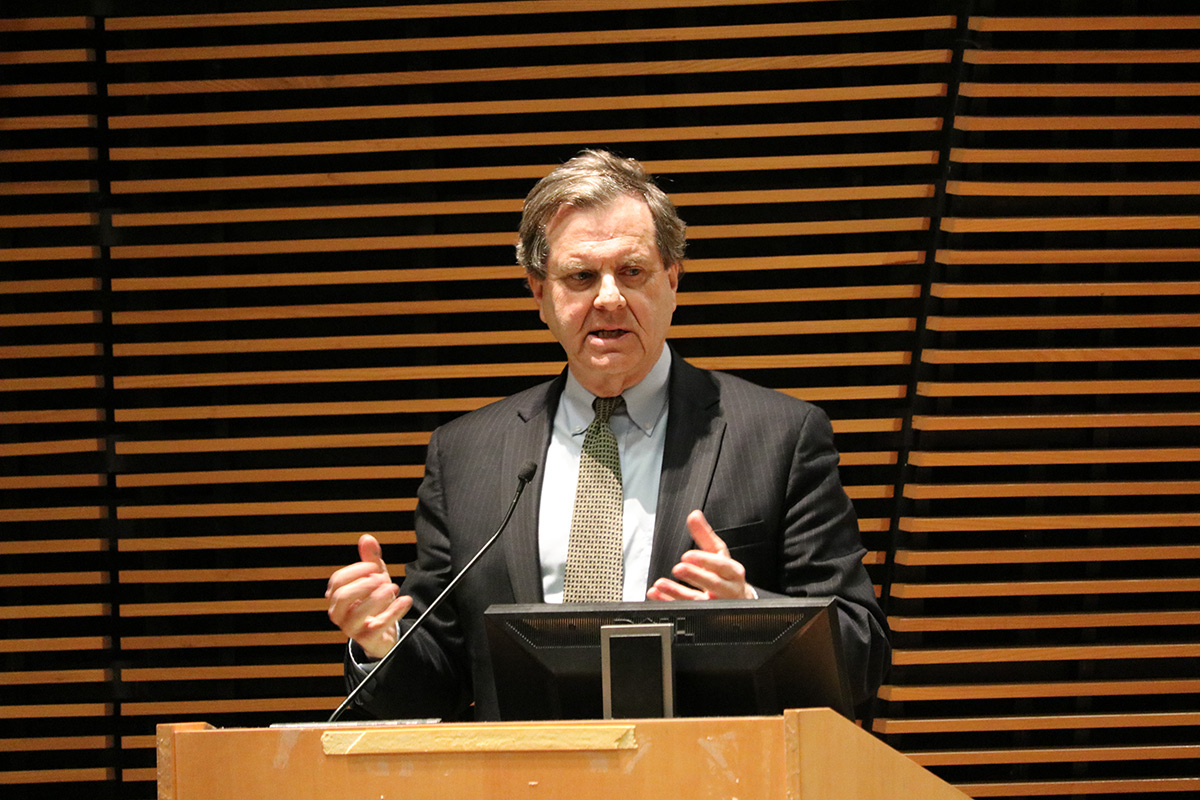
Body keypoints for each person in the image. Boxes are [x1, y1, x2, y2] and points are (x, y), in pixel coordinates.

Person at [326, 150, 890, 721]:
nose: (609, 298)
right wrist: (381, 640)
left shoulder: (779, 436)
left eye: (633, 271)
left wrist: (748, 610)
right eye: (580, 276)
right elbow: (441, 682)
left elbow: (862, 653)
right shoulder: (466, 455)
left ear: (673, 278)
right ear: (538, 293)